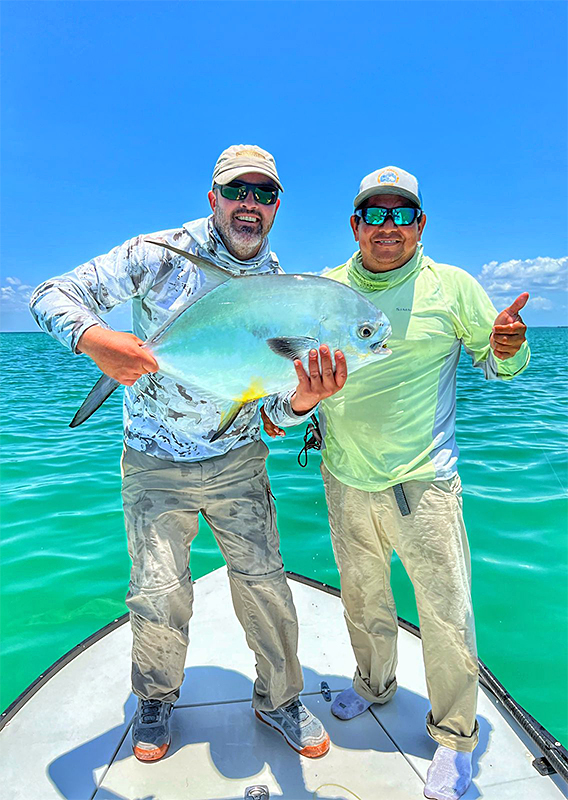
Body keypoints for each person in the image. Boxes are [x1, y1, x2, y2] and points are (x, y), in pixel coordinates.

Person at [30, 144, 347, 763]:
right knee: (158, 588)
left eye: (264, 194)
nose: (248, 205)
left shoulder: (282, 285)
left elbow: (270, 406)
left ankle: (280, 698)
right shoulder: (155, 254)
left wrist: (305, 402)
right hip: (154, 462)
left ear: (277, 206)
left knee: (266, 584)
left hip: (238, 459)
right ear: (213, 198)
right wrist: (99, 340)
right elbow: (49, 293)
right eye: (237, 191)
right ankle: (155, 699)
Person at [262, 165, 529, 800]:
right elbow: (281, 391)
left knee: (446, 618)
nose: (388, 227)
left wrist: (510, 346)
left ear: (420, 225)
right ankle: (374, 688)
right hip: (345, 478)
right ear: (355, 225)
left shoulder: (453, 287)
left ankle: (454, 739)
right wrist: (297, 402)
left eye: (400, 214)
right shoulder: (323, 290)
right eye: (374, 214)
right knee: (363, 602)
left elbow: (497, 366)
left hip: (426, 484)